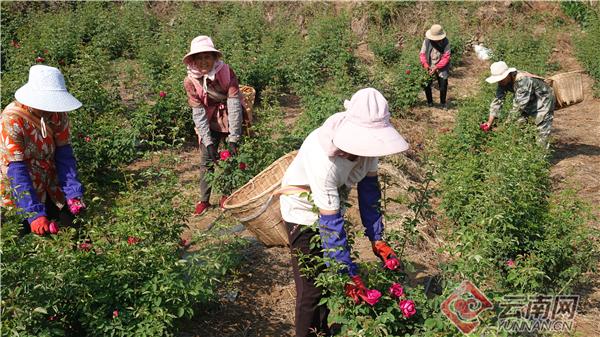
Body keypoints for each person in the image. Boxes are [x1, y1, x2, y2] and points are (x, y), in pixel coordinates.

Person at [279, 88, 410, 337]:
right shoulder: (325, 160)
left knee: (326, 285)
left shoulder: (368, 149)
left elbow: (369, 192)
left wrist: (377, 237)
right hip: (301, 210)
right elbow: (330, 224)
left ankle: (322, 330)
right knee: (311, 289)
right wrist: (347, 273)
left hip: (331, 206)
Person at [1, 65, 86, 235]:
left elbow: (64, 155)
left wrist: (73, 192)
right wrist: (34, 213)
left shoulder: (57, 114)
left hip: (50, 183)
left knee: (75, 232)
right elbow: (16, 171)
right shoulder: (12, 120)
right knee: (19, 242)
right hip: (20, 189)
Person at [182, 36, 244, 215]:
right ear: (193, 61)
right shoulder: (190, 81)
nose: (203, 62)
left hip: (228, 116)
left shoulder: (226, 72)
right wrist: (207, 141)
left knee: (230, 157)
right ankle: (204, 200)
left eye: (207, 57)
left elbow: (234, 105)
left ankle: (226, 194)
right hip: (208, 119)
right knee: (206, 160)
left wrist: (234, 137)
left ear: (214, 58)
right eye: (199, 58)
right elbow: (198, 113)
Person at [483, 61, 555, 147]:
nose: (499, 82)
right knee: (519, 125)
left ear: (508, 74)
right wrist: (489, 122)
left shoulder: (523, 80)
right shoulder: (503, 82)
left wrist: (504, 126)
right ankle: (527, 148)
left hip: (543, 100)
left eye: (501, 79)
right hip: (528, 100)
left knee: (541, 128)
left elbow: (518, 107)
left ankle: (541, 154)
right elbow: (498, 100)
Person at [419, 24, 451, 109]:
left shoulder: (446, 42)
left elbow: (446, 57)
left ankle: (443, 103)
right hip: (429, 64)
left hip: (441, 66)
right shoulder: (427, 41)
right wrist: (425, 65)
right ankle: (430, 102)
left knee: (443, 85)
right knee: (426, 83)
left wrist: (436, 67)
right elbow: (422, 54)